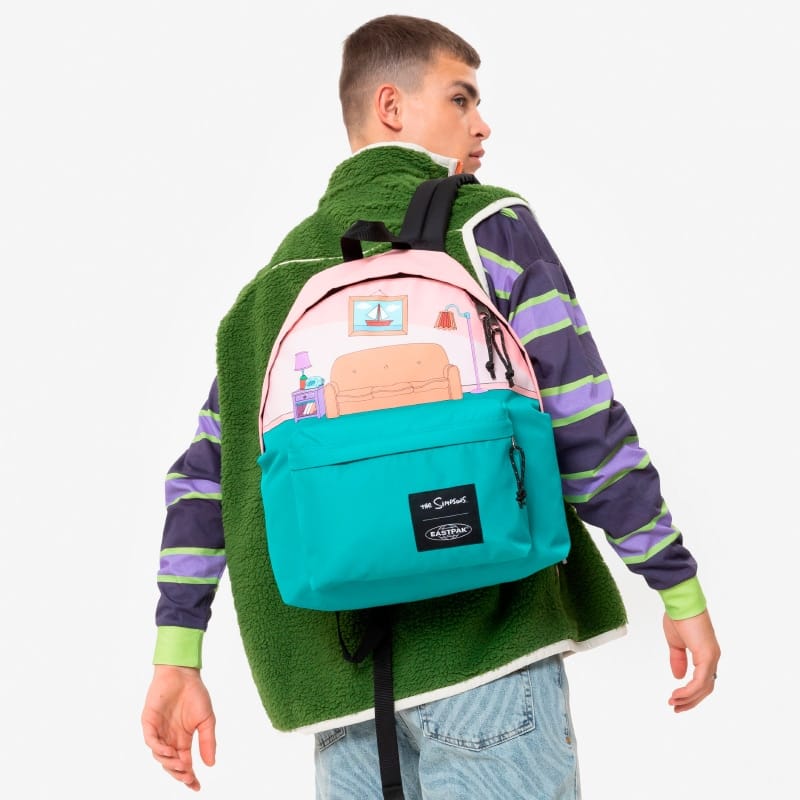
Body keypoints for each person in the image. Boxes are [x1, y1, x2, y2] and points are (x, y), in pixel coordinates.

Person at [141, 14, 721, 799]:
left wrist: (177, 655)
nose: (482, 125)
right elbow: (585, 424)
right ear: (391, 106)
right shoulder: (487, 228)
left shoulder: (272, 286)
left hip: (345, 701)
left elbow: (204, 482)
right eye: (461, 97)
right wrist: (676, 586)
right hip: (491, 665)